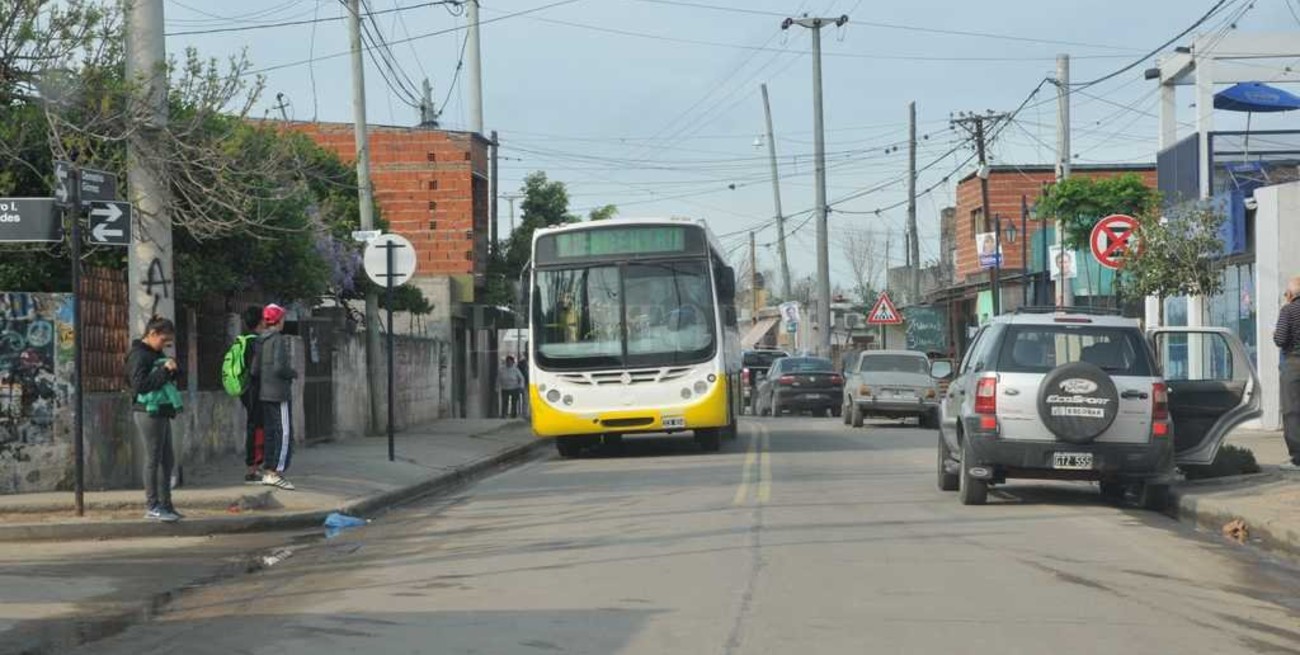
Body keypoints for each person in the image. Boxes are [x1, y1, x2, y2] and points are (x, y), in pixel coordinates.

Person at [126, 316, 183, 522]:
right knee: (153, 459)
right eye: (163, 340)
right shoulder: (139, 355)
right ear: (151, 334)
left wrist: (173, 370)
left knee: (167, 460)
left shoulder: (154, 352)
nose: (165, 345)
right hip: (147, 411)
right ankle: (153, 505)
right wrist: (165, 370)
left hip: (161, 410)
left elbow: (165, 377)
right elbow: (139, 385)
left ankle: (166, 504)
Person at [257, 304, 298, 489]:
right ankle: (275, 472)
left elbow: (255, 369)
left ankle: (267, 470)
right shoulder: (278, 340)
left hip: (264, 393)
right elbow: (280, 368)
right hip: (279, 393)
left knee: (271, 433)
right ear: (279, 320)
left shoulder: (261, 340)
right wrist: (293, 373)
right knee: (284, 433)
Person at [1272, 276, 1300, 471]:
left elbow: (1281, 339)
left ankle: (1297, 458)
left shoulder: (1288, 310)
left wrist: (1275, 334)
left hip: (1294, 363)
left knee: (1292, 412)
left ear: (1290, 294)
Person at [240, 306, 266, 484]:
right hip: (256, 390)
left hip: (245, 389)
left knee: (253, 427)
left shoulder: (244, 340)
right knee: (256, 429)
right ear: (261, 321)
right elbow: (256, 369)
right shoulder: (257, 342)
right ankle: (253, 470)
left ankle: (254, 468)